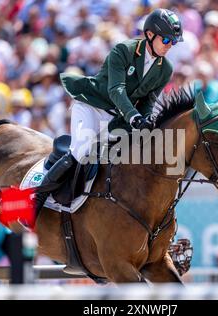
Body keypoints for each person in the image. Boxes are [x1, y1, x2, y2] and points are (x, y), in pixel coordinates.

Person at [33, 8, 183, 215]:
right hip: (92, 106)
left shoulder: (165, 68)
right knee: (82, 150)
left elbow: (149, 100)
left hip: (119, 117)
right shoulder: (124, 50)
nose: (170, 46)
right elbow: (116, 90)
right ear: (150, 34)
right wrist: (135, 118)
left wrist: (147, 120)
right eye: (166, 40)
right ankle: (38, 196)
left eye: (173, 42)